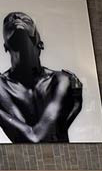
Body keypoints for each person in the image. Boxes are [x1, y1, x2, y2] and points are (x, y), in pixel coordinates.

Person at [0, 11, 83, 143]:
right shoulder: (1, 86)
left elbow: (38, 138)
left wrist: (76, 105)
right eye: (9, 20)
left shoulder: (61, 80)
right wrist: (76, 105)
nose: (15, 17)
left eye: (25, 19)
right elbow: (36, 138)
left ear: (40, 44)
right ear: (5, 47)